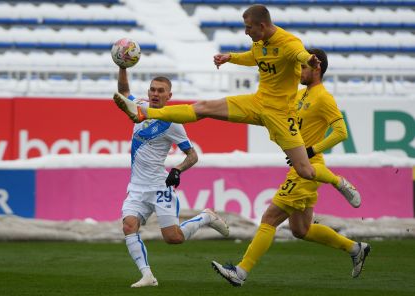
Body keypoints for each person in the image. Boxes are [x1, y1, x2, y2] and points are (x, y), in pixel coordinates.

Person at [113, 4, 360, 206]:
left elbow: (299, 55)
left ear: (262, 26)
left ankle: (339, 182)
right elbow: (254, 57)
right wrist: (230, 57)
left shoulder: (289, 43)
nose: (246, 32)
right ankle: (145, 112)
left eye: (248, 28)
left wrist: (309, 59)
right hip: (256, 103)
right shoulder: (260, 42)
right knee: (204, 107)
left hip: (282, 115)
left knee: (305, 170)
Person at [211, 49, 371, 287]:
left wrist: (311, 150)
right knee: (301, 229)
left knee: (269, 218)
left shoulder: (324, 98)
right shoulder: (300, 95)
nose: (299, 72)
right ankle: (355, 247)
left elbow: (341, 132)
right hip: (301, 165)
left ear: (317, 68)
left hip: (309, 166)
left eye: (303, 68)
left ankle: (240, 272)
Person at [115, 66, 229, 288]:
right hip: (137, 188)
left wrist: (177, 169)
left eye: (161, 91)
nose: (155, 94)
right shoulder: (139, 108)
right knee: (129, 226)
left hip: (159, 187)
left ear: (169, 96)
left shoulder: (173, 121)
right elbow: (122, 90)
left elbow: (192, 155)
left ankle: (206, 216)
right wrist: (122, 66)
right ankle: (147, 276)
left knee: (173, 238)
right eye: (152, 90)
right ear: (148, 93)